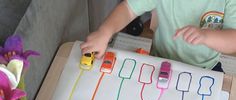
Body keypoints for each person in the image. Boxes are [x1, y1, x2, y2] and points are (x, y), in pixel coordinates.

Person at [81, 0, 236, 71]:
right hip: (159, 61)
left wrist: (206, 36)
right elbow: (128, 8)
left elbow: (233, 40)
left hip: (206, 67)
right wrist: (105, 31)